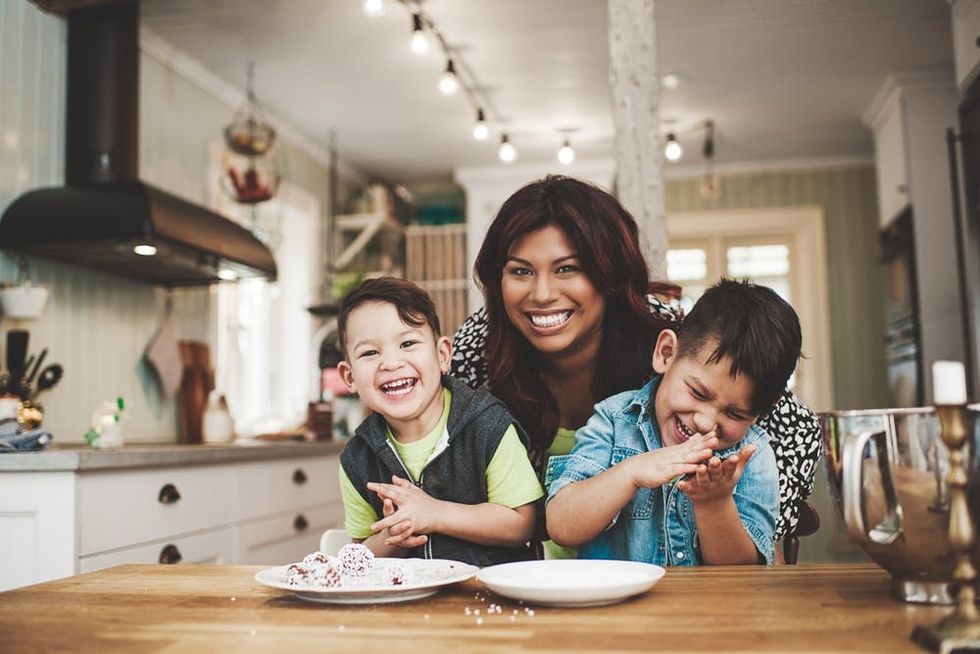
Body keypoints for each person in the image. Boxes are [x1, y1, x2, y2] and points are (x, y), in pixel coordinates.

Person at [450, 175, 821, 548]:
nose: (542, 294)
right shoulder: (480, 344)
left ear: (609, 273)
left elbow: (800, 431)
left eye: (567, 268)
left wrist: (733, 513)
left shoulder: (666, 335)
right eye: (520, 271)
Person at [546, 279, 801, 565]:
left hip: (706, 610)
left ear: (758, 415)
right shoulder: (615, 421)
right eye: (697, 392)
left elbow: (744, 576)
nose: (706, 422)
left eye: (734, 414)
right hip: (612, 608)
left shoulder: (751, 455)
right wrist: (630, 473)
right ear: (666, 353)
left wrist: (714, 504)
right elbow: (561, 525)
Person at [336, 277, 543, 566]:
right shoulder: (358, 458)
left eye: (407, 343)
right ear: (349, 377)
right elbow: (363, 552)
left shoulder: (488, 426)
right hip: (406, 604)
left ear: (443, 354)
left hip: (490, 596)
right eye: (370, 352)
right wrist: (395, 533)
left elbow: (521, 524)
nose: (391, 363)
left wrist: (434, 514)